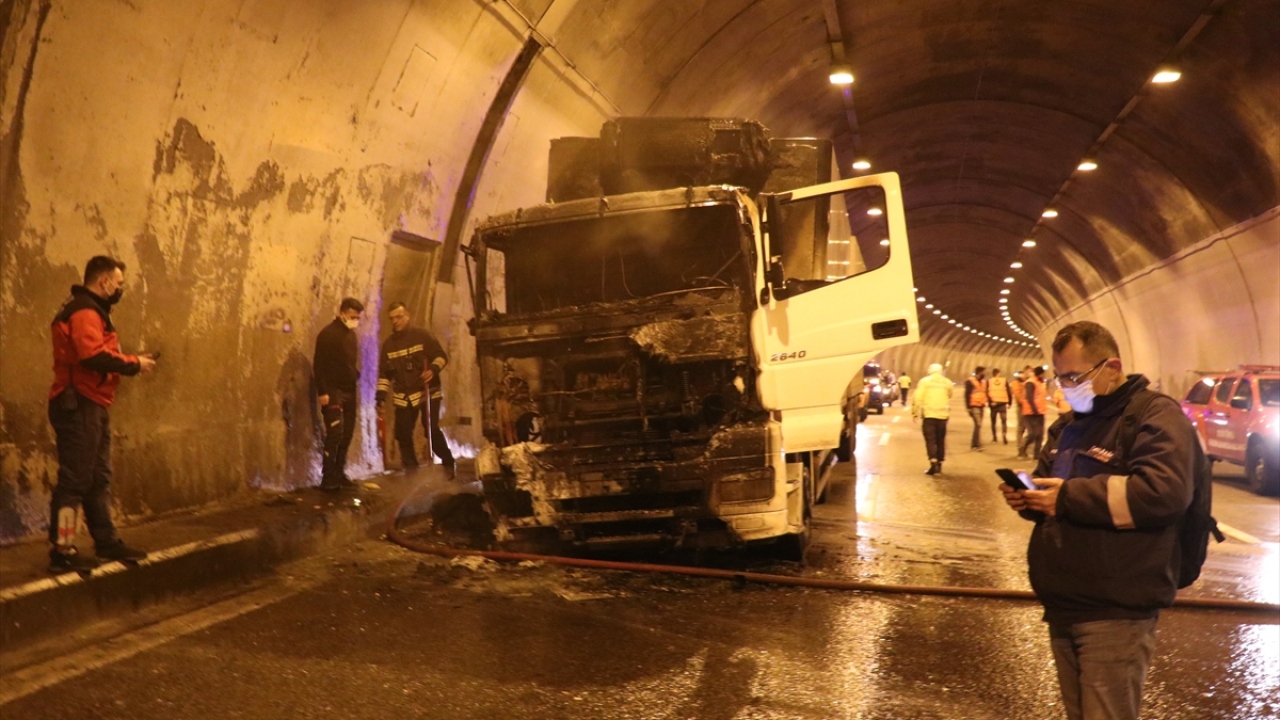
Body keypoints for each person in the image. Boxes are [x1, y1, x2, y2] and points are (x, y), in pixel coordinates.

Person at [1000, 320, 1196, 720]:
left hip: (1115, 607)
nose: (1067, 387)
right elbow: (1053, 491)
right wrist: (1029, 498)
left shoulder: (1154, 416)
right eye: (1060, 378)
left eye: (1075, 376)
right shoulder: (1068, 426)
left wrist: (1065, 497)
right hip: (1065, 602)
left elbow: (1164, 492)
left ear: (1112, 367)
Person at [47, 256, 157, 573]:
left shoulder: (93, 310)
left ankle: (106, 542)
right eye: (118, 283)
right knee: (76, 479)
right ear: (103, 281)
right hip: (78, 404)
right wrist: (133, 363)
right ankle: (62, 549)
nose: (121, 289)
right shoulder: (84, 310)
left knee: (98, 478)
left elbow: (98, 352)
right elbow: (91, 355)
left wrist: (131, 360)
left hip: (92, 403)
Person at [376, 302, 455, 477]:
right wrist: (380, 397)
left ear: (407, 316)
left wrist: (432, 370)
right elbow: (384, 374)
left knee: (430, 430)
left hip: (427, 391)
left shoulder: (423, 336)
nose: (395, 321)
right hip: (403, 395)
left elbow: (441, 356)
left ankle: (448, 462)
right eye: (392, 318)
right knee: (402, 433)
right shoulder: (388, 345)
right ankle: (412, 471)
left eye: (399, 317)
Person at [314, 298, 365, 491]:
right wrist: (322, 391)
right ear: (342, 313)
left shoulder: (351, 336)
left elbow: (349, 363)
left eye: (357, 317)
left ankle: (339, 472)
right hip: (333, 391)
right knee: (335, 432)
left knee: (347, 433)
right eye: (352, 316)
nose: (355, 321)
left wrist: (355, 375)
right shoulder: (327, 334)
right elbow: (318, 364)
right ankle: (328, 477)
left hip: (349, 390)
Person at [912, 363, 953, 475]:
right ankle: (940, 463)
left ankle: (933, 462)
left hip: (929, 415)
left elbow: (917, 397)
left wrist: (914, 412)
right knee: (940, 440)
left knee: (930, 440)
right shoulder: (947, 382)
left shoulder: (924, 381)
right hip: (943, 416)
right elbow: (950, 395)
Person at [1019, 366, 1048, 459]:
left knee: (1040, 434)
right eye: (1043, 374)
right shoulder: (1030, 382)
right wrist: (1035, 410)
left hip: (1040, 412)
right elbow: (1029, 397)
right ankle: (1022, 449)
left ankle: (1037, 454)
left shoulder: (1041, 383)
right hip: (1030, 412)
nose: (1044, 375)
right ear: (1040, 374)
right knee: (1032, 433)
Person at [965, 366, 987, 450]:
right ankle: (976, 445)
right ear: (979, 372)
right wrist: (968, 407)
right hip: (974, 405)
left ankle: (975, 444)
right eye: (983, 372)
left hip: (981, 405)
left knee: (978, 425)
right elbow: (967, 395)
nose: (984, 374)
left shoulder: (983, 382)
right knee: (978, 424)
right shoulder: (970, 381)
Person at [987, 368, 1010, 444]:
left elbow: (987, 392)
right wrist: (1010, 402)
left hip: (993, 405)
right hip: (1002, 404)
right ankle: (1004, 434)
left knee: (993, 422)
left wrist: (990, 402)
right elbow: (1008, 392)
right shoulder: (1004, 380)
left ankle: (994, 438)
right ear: (998, 373)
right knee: (1004, 421)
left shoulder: (989, 381)